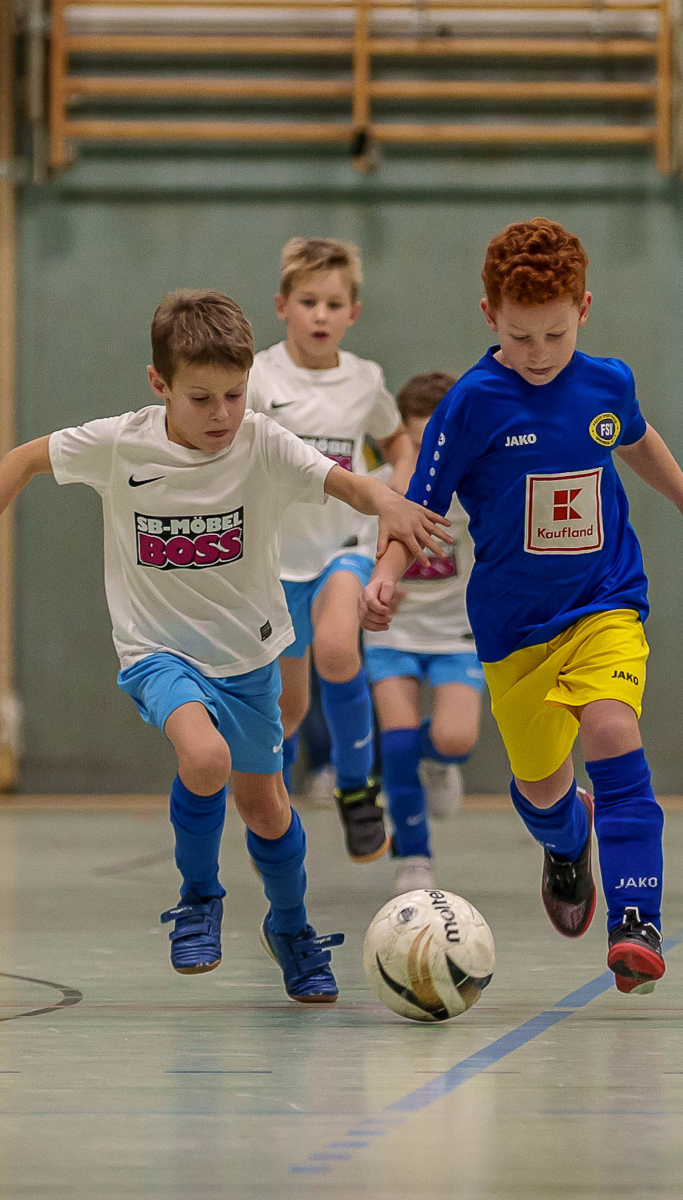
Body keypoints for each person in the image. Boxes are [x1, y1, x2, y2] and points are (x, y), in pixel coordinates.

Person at [0, 289, 447, 1001]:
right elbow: (21, 460)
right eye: (201, 398)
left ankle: (291, 928)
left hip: (249, 656)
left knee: (266, 809)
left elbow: (344, 483)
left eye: (234, 395)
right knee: (205, 759)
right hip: (157, 652)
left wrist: (389, 500)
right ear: (159, 384)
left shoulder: (261, 441)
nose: (221, 414)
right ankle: (199, 899)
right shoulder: (121, 443)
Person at [363, 218, 683, 995]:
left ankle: (637, 921)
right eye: (521, 336)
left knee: (612, 728)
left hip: (604, 600)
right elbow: (420, 501)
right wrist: (386, 571)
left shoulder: (606, 383)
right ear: (490, 316)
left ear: (584, 310)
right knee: (540, 787)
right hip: (513, 628)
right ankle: (568, 842)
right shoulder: (470, 404)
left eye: (555, 335)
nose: (538, 353)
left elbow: (636, 439)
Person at [249, 236, 417, 864]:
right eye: (307, 301)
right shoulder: (258, 377)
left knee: (340, 648)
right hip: (273, 561)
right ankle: (269, 802)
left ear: (354, 313)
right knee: (288, 704)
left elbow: (397, 442)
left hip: (343, 547)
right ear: (282, 306)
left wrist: (396, 490)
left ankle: (356, 788)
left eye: (334, 304)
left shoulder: (365, 380)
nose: (320, 315)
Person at [364, 370, 483, 894]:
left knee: (454, 739)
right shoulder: (382, 487)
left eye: (438, 442)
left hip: (457, 631)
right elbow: (347, 550)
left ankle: (438, 763)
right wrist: (371, 582)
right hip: (393, 632)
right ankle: (413, 856)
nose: (428, 454)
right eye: (416, 444)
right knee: (397, 742)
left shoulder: (476, 485)